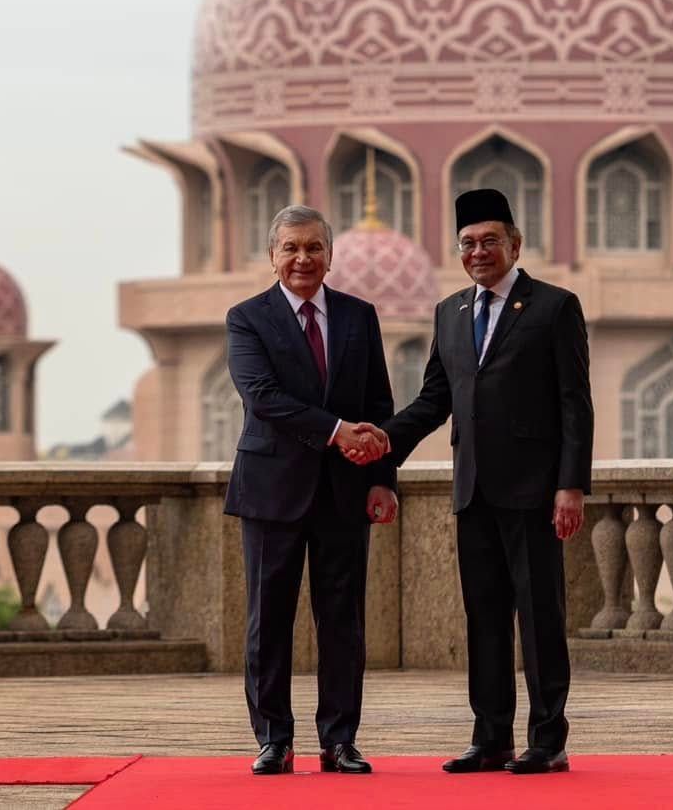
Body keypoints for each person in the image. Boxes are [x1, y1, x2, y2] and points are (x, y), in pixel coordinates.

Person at [382, 187, 592, 775]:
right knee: (485, 618)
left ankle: (548, 740)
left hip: (535, 491)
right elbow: (434, 400)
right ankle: (491, 737)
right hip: (472, 490)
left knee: (540, 617)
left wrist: (570, 486)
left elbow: (576, 404)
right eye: (468, 243)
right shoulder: (450, 312)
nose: (479, 251)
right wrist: (381, 446)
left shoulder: (553, 307)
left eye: (489, 240)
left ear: (515, 244)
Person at [222, 204, 398, 776]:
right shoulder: (247, 318)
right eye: (291, 248)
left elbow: (377, 403)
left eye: (314, 247)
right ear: (272, 256)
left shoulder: (357, 316)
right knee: (268, 618)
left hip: (345, 491)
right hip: (273, 490)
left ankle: (339, 739)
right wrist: (335, 431)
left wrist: (381, 479)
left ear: (330, 254)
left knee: (342, 618)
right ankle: (274, 738)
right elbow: (262, 396)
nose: (303, 258)